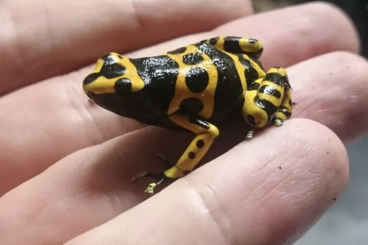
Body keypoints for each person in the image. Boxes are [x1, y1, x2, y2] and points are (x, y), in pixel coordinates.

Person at [0, 0, 366, 244]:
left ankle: (279, 89)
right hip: (216, 61)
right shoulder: (153, 93)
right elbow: (250, 47)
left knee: (255, 114)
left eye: (123, 90)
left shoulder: (171, 108)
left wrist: (174, 172)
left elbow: (208, 130)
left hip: (245, 84)